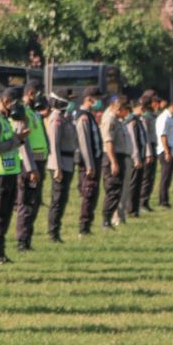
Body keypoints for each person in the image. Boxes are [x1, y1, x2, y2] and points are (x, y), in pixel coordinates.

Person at [0, 87, 31, 263]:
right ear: (7, 101)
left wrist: (17, 137)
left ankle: (0, 250)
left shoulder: (3, 119)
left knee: (6, 214)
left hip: (7, 173)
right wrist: (16, 140)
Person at [14, 86, 49, 252]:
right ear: (31, 93)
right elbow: (23, 141)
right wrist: (30, 167)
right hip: (29, 163)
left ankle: (27, 238)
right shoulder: (22, 112)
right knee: (26, 203)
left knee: (34, 203)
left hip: (38, 162)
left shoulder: (33, 112)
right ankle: (22, 241)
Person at [44, 92, 77, 243]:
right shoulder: (56, 119)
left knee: (63, 198)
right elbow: (54, 145)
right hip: (60, 163)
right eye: (68, 100)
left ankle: (56, 230)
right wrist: (57, 167)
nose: (70, 103)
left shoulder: (66, 118)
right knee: (57, 199)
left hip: (68, 162)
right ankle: (53, 232)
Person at [99, 94, 131, 230]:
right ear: (118, 108)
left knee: (116, 190)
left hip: (119, 156)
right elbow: (108, 142)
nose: (127, 112)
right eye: (125, 109)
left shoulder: (117, 119)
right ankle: (106, 220)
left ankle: (109, 219)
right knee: (112, 189)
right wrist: (114, 162)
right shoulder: (110, 119)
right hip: (112, 157)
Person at [75, 86, 104, 234]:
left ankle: (88, 224)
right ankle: (84, 227)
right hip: (89, 163)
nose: (98, 102)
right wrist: (89, 165)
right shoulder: (83, 117)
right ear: (89, 99)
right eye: (97, 99)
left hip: (95, 159)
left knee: (93, 193)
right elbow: (84, 143)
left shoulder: (90, 116)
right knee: (88, 193)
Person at [125, 97, 150, 218]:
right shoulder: (132, 121)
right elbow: (133, 141)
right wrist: (136, 158)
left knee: (138, 183)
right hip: (136, 157)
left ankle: (135, 209)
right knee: (133, 184)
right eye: (141, 107)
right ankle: (131, 209)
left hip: (141, 154)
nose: (143, 109)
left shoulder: (139, 120)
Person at [156, 99, 173, 207]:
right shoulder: (164, 118)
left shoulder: (171, 117)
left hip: (171, 149)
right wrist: (166, 152)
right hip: (166, 149)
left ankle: (165, 199)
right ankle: (163, 201)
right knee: (165, 177)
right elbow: (163, 135)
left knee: (168, 177)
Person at [138, 92, 159, 212]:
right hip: (148, 148)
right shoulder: (145, 117)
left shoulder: (152, 115)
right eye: (153, 101)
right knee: (146, 177)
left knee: (151, 177)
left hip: (153, 146)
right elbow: (145, 136)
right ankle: (142, 202)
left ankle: (146, 201)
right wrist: (148, 153)